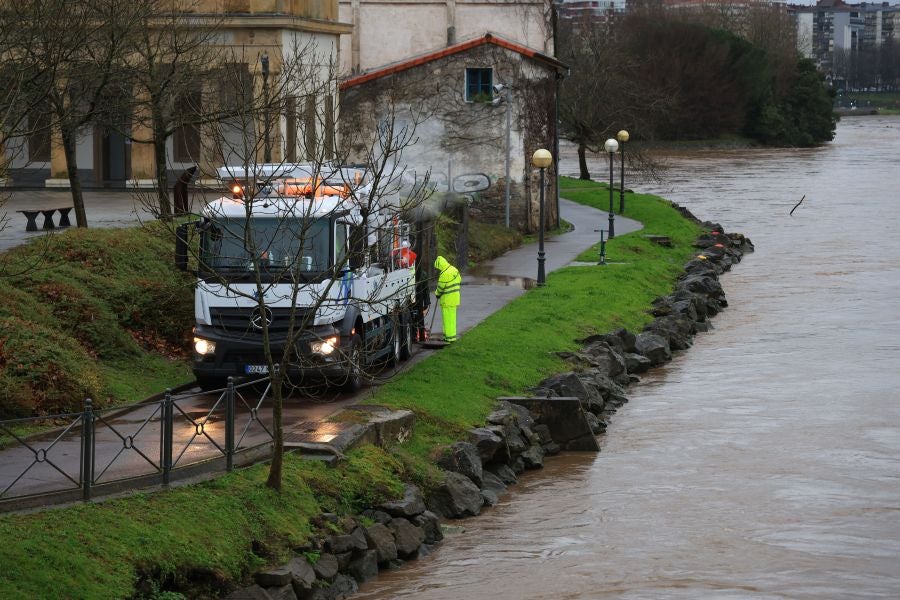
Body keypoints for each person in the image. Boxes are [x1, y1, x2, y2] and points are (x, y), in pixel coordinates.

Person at [434, 255, 461, 343]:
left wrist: (437, 294)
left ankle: (448, 337)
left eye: (438, 267)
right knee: (452, 319)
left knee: (446, 319)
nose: (438, 269)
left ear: (440, 265)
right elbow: (459, 279)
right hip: (455, 298)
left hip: (447, 300)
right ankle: (452, 336)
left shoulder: (444, 274)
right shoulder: (454, 269)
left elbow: (440, 288)